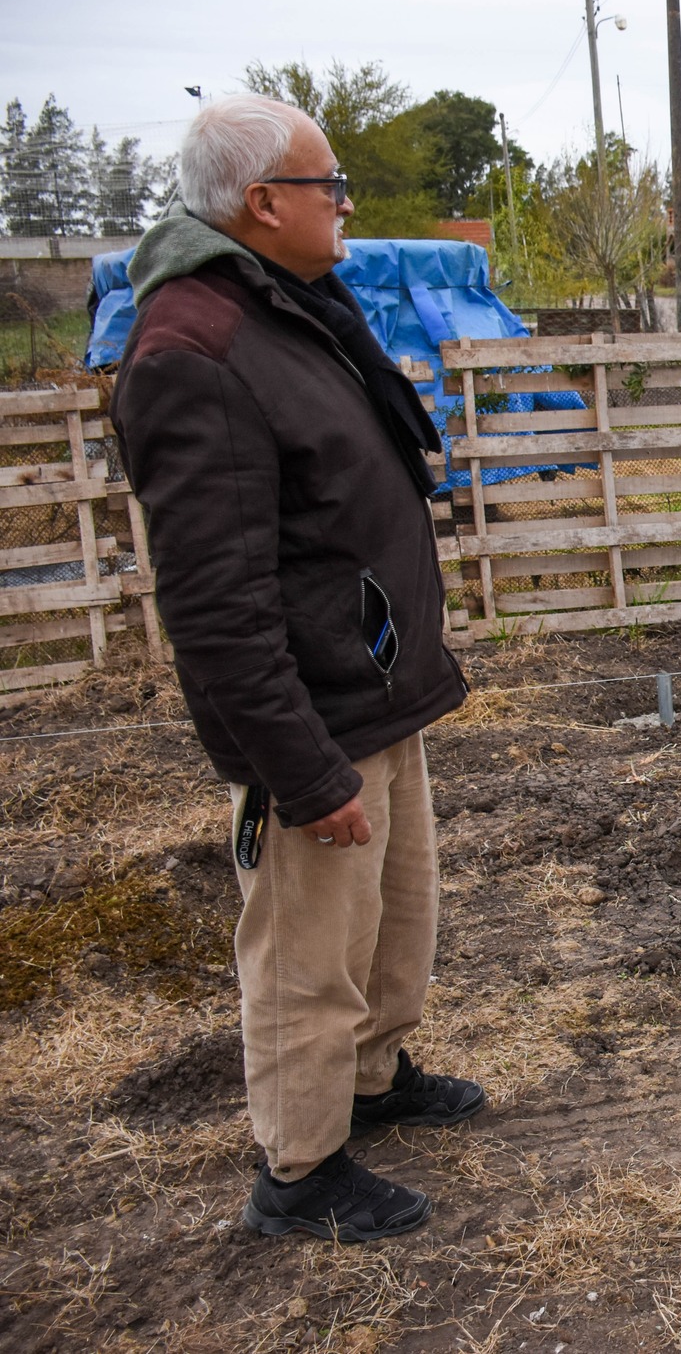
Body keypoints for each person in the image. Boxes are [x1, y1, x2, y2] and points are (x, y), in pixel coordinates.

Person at [111, 96, 483, 1243]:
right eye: (332, 186)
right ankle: (302, 1165)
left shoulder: (281, 303)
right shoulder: (194, 348)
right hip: (315, 712)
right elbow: (214, 604)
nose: (348, 206)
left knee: (393, 921)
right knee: (307, 952)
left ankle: (369, 1081)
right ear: (264, 203)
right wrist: (300, 771)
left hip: (373, 683)